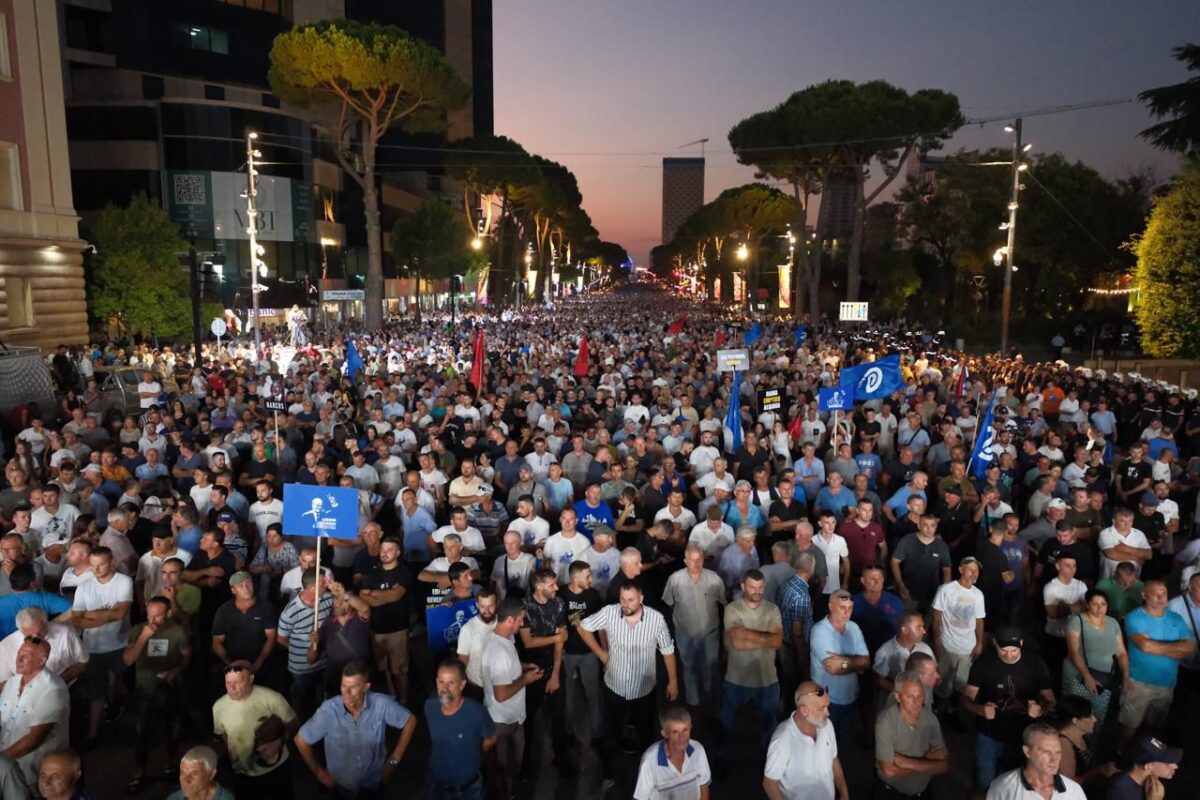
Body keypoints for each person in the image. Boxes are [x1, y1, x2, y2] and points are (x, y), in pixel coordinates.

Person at [578, 580, 679, 790]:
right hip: (614, 687)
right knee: (610, 735)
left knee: (646, 735)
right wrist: (601, 654)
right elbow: (583, 627)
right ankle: (608, 776)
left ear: (641, 599)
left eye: (630, 600)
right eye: (623, 600)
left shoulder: (656, 619)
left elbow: (667, 650)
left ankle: (652, 777)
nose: (626, 604)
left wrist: (673, 681)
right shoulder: (609, 613)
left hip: (644, 690)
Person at [295, 661, 417, 799]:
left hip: (374, 784)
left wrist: (393, 761)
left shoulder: (381, 704)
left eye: (352, 687)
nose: (346, 692)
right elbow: (301, 740)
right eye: (343, 686)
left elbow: (410, 721)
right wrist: (319, 773)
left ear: (366, 687)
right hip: (340, 788)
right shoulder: (328, 711)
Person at [963, 626, 1056, 796]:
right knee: (984, 782)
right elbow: (966, 698)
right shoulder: (983, 663)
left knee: (1015, 786)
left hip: (1023, 736)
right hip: (989, 734)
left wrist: (1041, 710)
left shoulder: (1035, 663)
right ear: (994, 644)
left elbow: (1050, 700)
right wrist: (979, 709)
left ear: (1021, 643)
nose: (1009, 655)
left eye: (1014, 650)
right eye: (1003, 650)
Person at [122, 595, 191, 793]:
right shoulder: (138, 630)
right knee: (142, 734)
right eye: (149, 615)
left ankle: (170, 764)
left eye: (158, 616)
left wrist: (178, 670)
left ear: (168, 613)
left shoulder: (177, 632)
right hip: (146, 691)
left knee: (174, 730)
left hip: (171, 689)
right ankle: (139, 774)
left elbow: (187, 655)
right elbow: (127, 660)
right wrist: (144, 636)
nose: (152, 620)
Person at [70, 545, 133, 742]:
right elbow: (76, 620)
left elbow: (122, 612)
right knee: (97, 692)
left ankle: (121, 708)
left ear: (111, 562)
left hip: (119, 643)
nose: (96, 570)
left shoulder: (123, 581)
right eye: (92, 565)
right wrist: (108, 614)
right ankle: (93, 732)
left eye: (101, 565)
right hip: (93, 648)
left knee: (116, 685)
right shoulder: (84, 587)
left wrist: (89, 614)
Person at [1119, 580, 1195, 739]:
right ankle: (1120, 757)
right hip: (1139, 683)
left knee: (1156, 726)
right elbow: (1145, 647)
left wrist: (1154, 645)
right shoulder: (1134, 617)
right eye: (1156, 594)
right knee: (1129, 726)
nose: (1162, 597)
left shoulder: (1176, 618)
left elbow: (1190, 649)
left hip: (1167, 684)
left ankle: (1147, 757)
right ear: (1144, 595)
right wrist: (1176, 647)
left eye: (1164, 593)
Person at [482, 597, 540, 800]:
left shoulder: (504, 639)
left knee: (508, 765)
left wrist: (524, 666)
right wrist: (526, 679)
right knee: (503, 766)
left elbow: (509, 668)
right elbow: (501, 694)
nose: (522, 623)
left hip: (512, 716)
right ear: (509, 620)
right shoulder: (499, 653)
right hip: (503, 720)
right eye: (520, 620)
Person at [211, 660, 297, 797]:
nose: (231, 688)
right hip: (243, 772)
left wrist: (278, 742)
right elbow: (223, 735)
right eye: (228, 683)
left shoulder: (272, 698)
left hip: (275, 769)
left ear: (251, 678)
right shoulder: (218, 707)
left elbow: (294, 724)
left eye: (237, 682)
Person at [720, 568, 783, 746]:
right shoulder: (732, 609)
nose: (757, 591)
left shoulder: (772, 609)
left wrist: (746, 633)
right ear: (743, 586)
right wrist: (766, 638)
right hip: (737, 678)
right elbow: (737, 644)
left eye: (761, 587)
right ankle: (723, 759)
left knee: (769, 726)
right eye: (753, 587)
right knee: (727, 723)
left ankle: (769, 761)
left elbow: (777, 641)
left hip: (767, 679)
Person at [662, 544, 726, 710]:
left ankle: (711, 699)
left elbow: (723, 603)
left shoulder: (715, 579)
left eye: (699, 559)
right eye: (692, 560)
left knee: (710, 667)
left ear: (704, 559)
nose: (696, 563)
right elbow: (669, 603)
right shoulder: (675, 580)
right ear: (685, 561)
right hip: (685, 633)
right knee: (688, 666)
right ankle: (693, 702)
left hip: (709, 633)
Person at [0, 637, 70, 784]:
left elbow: (33, 739)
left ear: (41, 661)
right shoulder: (12, 683)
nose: (19, 659)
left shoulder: (52, 690)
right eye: (19, 653)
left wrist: (2, 760)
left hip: (32, 772)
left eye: (26, 656)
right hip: (8, 764)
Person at [763, 681, 848, 800]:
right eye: (822, 708)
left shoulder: (827, 725)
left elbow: (834, 759)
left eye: (827, 706)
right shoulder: (783, 739)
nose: (827, 713)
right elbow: (769, 783)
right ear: (804, 711)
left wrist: (844, 793)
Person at [425, 658, 495, 800]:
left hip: (468, 790)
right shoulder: (429, 707)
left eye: (451, 683)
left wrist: (474, 753)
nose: (444, 689)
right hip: (436, 785)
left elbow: (491, 738)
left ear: (462, 685)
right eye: (441, 682)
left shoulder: (476, 713)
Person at [875, 669, 949, 799]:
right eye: (910, 697)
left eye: (920, 696)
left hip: (924, 792)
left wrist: (904, 762)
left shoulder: (930, 719)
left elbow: (944, 765)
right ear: (897, 697)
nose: (916, 702)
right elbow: (889, 771)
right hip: (892, 794)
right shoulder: (885, 723)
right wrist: (927, 761)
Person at [808, 589, 869, 741]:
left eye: (850, 608)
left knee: (844, 743)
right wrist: (856, 663)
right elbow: (833, 668)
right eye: (842, 608)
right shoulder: (820, 631)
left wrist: (844, 661)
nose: (846, 613)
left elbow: (866, 662)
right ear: (830, 606)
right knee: (824, 744)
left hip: (850, 697)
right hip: (827, 701)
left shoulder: (853, 628)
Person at [358, 537, 413, 703]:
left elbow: (396, 595)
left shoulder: (404, 572)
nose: (384, 553)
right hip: (376, 629)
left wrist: (374, 594)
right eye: (383, 550)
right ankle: (391, 696)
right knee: (383, 667)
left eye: (389, 550)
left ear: (398, 553)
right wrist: (386, 595)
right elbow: (363, 597)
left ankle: (403, 699)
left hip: (398, 630)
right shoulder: (372, 573)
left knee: (400, 669)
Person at [1063, 589, 1128, 725]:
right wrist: (1087, 677)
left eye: (1103, 604)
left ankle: (1091, 744)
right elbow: (1074, 652)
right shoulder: (1077, 621)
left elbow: (1121, 653)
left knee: (1097, 716)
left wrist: (1126, 676)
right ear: (1087, 604)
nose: (1099, 608)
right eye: (1095, 604)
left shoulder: (1113, 623)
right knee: (1076, 716)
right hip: (1079, 675)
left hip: (1104, 676)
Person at [931, 556, 986, 715]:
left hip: (967, 648)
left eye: (976, 571)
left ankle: (952, 711)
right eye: (970, 569)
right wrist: (936, 639)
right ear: (961, 569)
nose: (974, 573)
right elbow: (937, 616)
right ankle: (936, 709)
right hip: (948, 645)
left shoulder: (978, 594)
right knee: (942, 681)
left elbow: (979, 620)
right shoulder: (946, 589)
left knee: (961, 683)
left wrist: (980, 642)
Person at [984, 722, 1086, 800]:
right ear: (1027, 751)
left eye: (1058, 752)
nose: (1054, 759)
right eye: (1047, 752)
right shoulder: (1004, 787)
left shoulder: (1073, 790)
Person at [633, 705, 712, 800]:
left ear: (691, 727)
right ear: (665, 733)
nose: (682, 737)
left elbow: (704, 786)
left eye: (685, 730)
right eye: (675, 732)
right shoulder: (649, 761)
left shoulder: (698, 750)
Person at [0, 608, 87, 688]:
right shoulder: (6, 646)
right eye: (29, 636)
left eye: (40, 632)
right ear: (21, 630)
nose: (36, 638)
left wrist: (62, 680)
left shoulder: (65, 633)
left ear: (46, 623)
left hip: (64, 687)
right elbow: (2, 683)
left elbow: (83, 662)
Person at [1053, 694, 1116, 789]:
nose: (1094, 719)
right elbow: (1068, 784)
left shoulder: (1083, 734)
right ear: (1075, 721)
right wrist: (1099, 771)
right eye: (1089, 716)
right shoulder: (1064, 745)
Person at [1106, 733, 1181, 800]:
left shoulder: (1150, 781)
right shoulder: (1120, 789)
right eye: (1168, 762)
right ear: (1148, 766)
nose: (1175, 766)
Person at [166, 746, 236, 800]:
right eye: (182, 773)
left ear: (211, 774)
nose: (186, 780)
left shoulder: (225, 798)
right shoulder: (174, 798)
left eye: (194, 774)